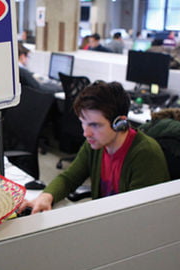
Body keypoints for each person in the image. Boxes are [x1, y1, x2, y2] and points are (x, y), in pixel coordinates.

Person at [19, 81, 170, 214]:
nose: (86, 133)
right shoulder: (96, 144)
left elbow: (138, 215)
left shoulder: (145, 154)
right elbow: (70, 178)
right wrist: (46, 196)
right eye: (83, 123)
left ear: (120, 122)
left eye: (95, 125)